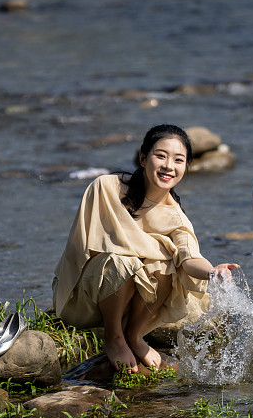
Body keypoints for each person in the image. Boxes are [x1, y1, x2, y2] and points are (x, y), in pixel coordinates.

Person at [52, 123, 239, 373]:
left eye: (178, 160)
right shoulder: (106, 188)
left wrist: (212, 272)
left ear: (186, 167)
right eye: (160, 156)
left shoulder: (177, 219)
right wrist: (137, 256)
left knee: (166, 262)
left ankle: (133, 334)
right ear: (143, 158)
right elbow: (84, 251)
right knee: (124, 261)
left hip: (127, 304)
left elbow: (189, 258)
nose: (168, 166)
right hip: (82, 295)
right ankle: (114, 337)